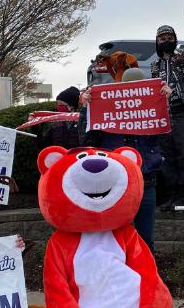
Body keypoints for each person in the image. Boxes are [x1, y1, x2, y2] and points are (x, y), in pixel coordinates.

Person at [67, 75, 171, 246]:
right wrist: (87, 108)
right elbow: (86, 141)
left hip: (146, 182)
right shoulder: (105, 110)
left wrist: (165, 103)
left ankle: (147, 272)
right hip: (113, 184)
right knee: (113, 240)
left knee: (145, 240)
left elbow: (168, 137)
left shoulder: (153, 110)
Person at [148, 8, 184, 210]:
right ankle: (170, 197)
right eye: (162, 38)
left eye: (169, 37)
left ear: (174, 39)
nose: (166, 40)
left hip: (183, 111)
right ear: (157, 42)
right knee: (167, 157)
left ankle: (183, 197)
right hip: (163, 115)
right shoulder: (154, 66)